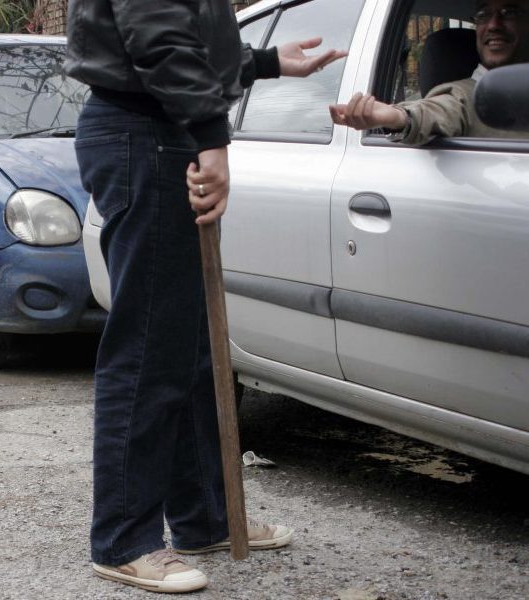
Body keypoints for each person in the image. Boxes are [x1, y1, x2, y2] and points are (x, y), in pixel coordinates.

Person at [65, 1, 347, 594]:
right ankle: (123, 540)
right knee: (148, 346)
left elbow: (177, 34)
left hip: (157, 130)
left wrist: (262, 61)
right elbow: (158, 37)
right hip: (147, 134)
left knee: (188, 346)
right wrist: (211, 133)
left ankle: (203, 520)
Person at [330, 0, 529, 144]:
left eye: (509, 12)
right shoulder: (463, 96)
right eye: (483, 15)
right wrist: (399, 117)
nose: (494, 25)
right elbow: (437, 111)